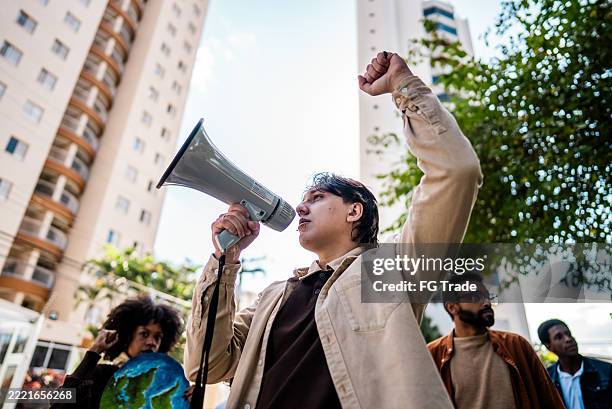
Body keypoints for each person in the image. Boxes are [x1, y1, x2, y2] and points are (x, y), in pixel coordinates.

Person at [184, 51, 482, 409]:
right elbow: (208, 366)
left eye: (317, 197)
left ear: (354, 210)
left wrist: (403, 87)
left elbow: (457, 171)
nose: (300, 208)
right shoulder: (272, 298)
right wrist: (224, 261)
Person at [427, 273, 565, 409]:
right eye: (476, 297)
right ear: (452, 307)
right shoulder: (432, 355)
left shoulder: (516, 345)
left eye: (488, 297)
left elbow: (550, 401)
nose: (487, 303)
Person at [51, 295, 184, 409]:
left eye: (157, 337)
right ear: (128, 337)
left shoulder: (164, 387)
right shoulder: (102, 375)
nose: (151, 342)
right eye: (144, 334)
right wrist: (94, 352)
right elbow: (59, 404)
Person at [538, 319, 612, 409]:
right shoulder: (547, 380)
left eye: (568, 334)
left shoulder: (606, 371)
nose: (568, 339)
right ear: (548, 346)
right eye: (559, 337)